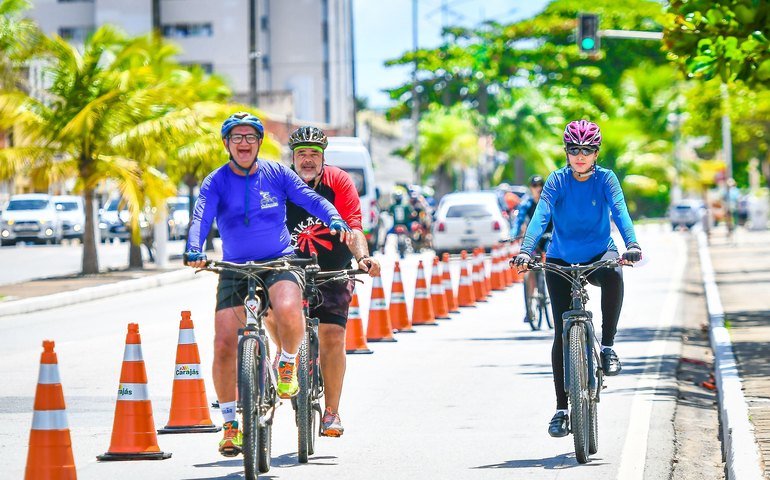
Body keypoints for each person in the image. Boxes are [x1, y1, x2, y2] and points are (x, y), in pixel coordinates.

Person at [184, 112, 352, 456]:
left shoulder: (276, 173)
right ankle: (231, 425)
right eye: (236, 138)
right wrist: (194, 248)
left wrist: (333, 217)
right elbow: (201, 216)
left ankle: (288, 360)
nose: (243, 143)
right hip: (235, 267)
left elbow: (311, 199)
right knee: (223, 344)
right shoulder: (216, 181)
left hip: (279, 261)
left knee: (290, 310)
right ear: (227, 144)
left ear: (259, 143)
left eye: (250, 137)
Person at [510, 120, 642, 438]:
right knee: (561, 333)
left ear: (596, 153)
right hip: (560, 257)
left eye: (586, 150)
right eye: (574, 150)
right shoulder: (556, 181)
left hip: (599, 253)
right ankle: (560, 409)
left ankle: (607, 346)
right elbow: (542, 214)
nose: (580, 156)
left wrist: (632, 244)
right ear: (566, 152)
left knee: (614, 275)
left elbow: (620, 211)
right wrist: (527, 251)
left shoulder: (606, 179)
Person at [279, 125, 382, 437]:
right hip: (290, 268)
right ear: (292, 158)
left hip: (333, 269)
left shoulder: (339, 181)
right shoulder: (281, 183)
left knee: (333, 336)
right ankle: (282, 360)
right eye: (301, 154)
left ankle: (332, 413)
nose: (307, 160)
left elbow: (353, 225)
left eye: (314, 154)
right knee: (271, 312)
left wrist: (363, 258)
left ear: (323, 158)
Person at [510, 174, 553, 324]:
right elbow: (519, 221)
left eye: (540, 185)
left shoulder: (548, 202)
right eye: (535, 186)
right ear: (531, 188)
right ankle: (529, 307)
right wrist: (513, 235)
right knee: (530, 270)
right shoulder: (526, 204)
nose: (538, 188)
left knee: (553, 264)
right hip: (533, 240)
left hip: (549, 238)